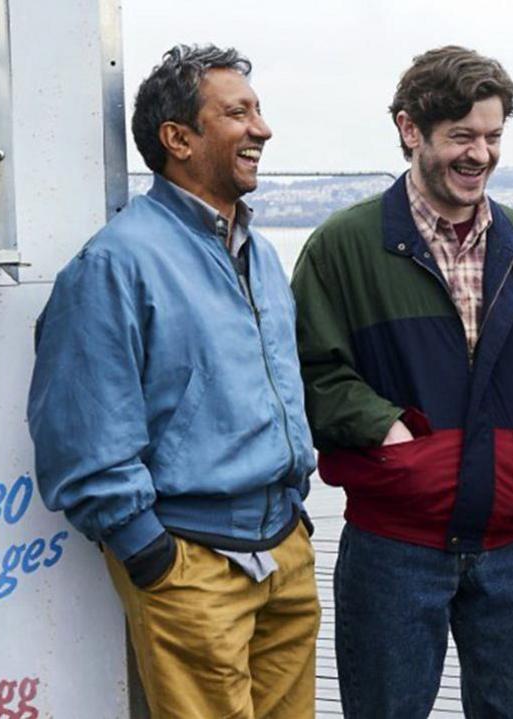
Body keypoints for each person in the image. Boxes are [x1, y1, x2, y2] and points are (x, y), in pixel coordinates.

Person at [27, 45, 319, 718]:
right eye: (237, 113)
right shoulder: (115, 263)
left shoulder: (263, 254)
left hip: (283, 549)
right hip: (191, 566)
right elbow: (81, 434)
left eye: (259, 110)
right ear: (178, 138)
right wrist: (151, 555)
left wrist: (294, 516)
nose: (262, 129)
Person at [290, 45, 513, 718]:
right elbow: (309, 373)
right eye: (462, 137)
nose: (480, 154)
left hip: (512, 543)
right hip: (394, 545)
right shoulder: (342, 245)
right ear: (409, 130)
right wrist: (388, 433)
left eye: (493, 136)